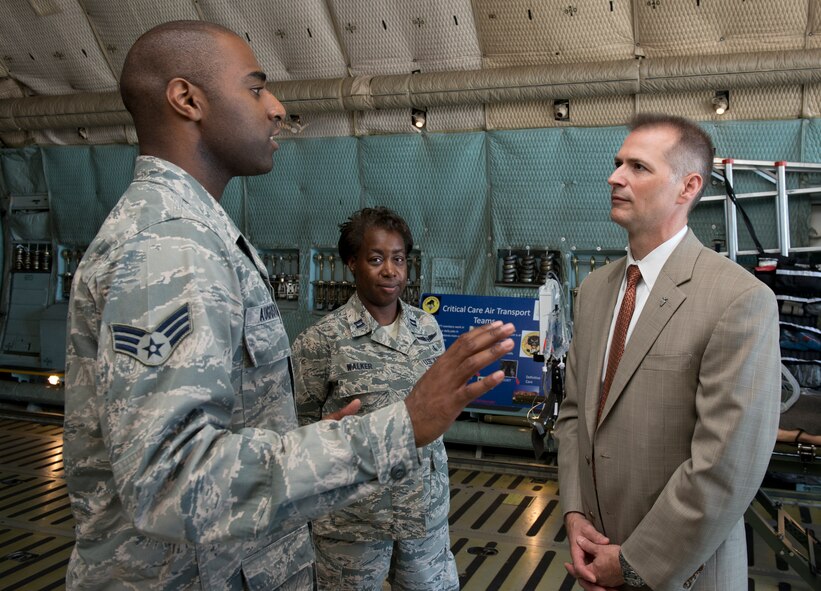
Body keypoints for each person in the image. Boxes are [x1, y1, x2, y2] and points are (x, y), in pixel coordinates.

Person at [62, 20, 515, 590]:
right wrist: (399, 426)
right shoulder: (168, 247)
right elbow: (173, 481)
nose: (276, 108)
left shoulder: (196, 238)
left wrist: (308, 440)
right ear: (187, 99)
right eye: (255, 88)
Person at [554, 114, 781, 591]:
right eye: (618, 164)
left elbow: (726, 466)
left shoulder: (737, 299)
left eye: (638, 167)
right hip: (593, 561)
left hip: (685, 574)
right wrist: (574, 514)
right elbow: (575, 414)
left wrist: (634, 562)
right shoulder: (595, 290)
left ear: (687, 187)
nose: (615, 177)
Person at [292, 207, 457, 590]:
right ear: (352, 263)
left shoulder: (428, 330)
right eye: (376, 259)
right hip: (353, 523)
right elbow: (295, 432)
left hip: (424, 516)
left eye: (398, 259)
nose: (390, 271)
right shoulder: (321, 341)